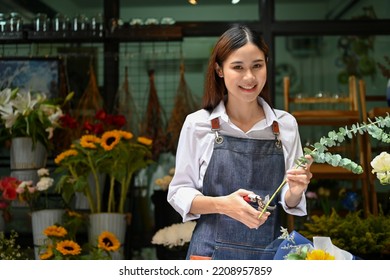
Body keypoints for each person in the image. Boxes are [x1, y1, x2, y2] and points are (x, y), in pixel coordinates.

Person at [167, 24, 313, 260]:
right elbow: (179, 192)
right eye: (238, 67)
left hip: (270, 256)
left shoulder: (285, 125)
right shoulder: (198, 124)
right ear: (220, 70)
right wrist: (223, 205)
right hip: (208, 256)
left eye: (257, 65)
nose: (250, 77)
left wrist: (296, 190)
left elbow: (289, 199)